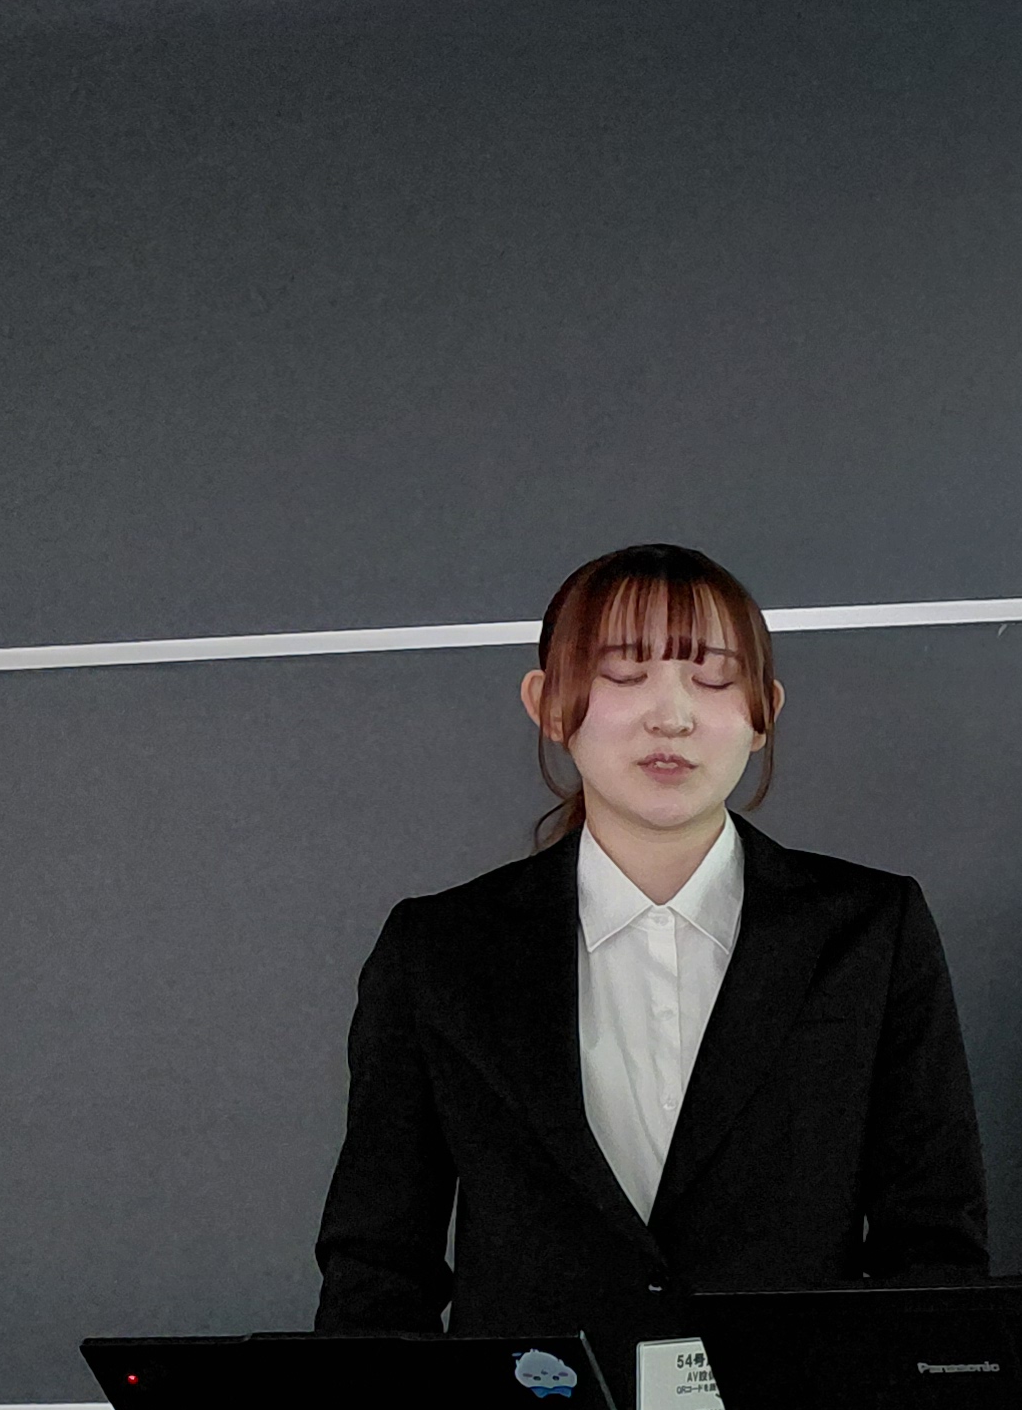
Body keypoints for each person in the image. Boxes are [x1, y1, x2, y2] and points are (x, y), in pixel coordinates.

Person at [315, 543, 988, 1345]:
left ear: (763, 712)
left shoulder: (869, 930)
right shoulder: (441, 950)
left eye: (713, 679)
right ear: (548, 703)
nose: (671, 716)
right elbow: (379, 1264)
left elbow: (933, 1242)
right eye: (624, 674)